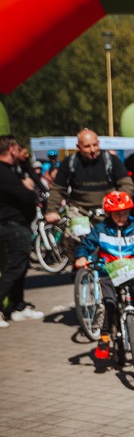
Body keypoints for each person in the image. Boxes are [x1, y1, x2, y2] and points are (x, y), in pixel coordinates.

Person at [74, 192, 134, 356]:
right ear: (109, 213)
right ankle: (104, 336)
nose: (122, 217)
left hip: (129, 269)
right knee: (109, 303)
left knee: (133, 289)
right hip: (107, 271)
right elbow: (86, 244)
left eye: (125, 212)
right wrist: (81, 256)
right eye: (117, 213)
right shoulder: (101, 229)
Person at [45, 129, 134, 224]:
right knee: (74, 237)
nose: (92, 150)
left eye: (95, 145)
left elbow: (126, 184)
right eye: (87, 146)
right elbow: (57, 189)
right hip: (79, 213)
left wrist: (119, 202)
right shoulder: (69, 163)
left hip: (108, 213)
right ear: (78, 147)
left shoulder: (111, 160)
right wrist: (52, 211)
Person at [0, 135, 42, 327]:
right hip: (12, 226)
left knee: (21, 267)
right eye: (17, 148)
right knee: (15, 268)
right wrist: (30, 190)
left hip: (18, 225)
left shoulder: (12, 170)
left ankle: (18, 306)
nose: (20, 152)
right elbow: (26, 195)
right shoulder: (4, 173)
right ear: (11, 150)